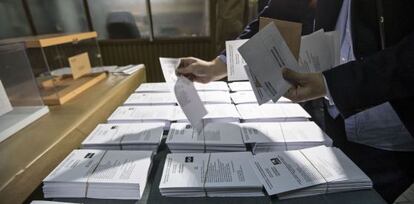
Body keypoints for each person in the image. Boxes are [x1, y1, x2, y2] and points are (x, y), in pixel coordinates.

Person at [177, 0, 414, 202]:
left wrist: (330, 84)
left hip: (393, 132)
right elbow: (282, 10)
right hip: (336, 120)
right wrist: (219, 65)